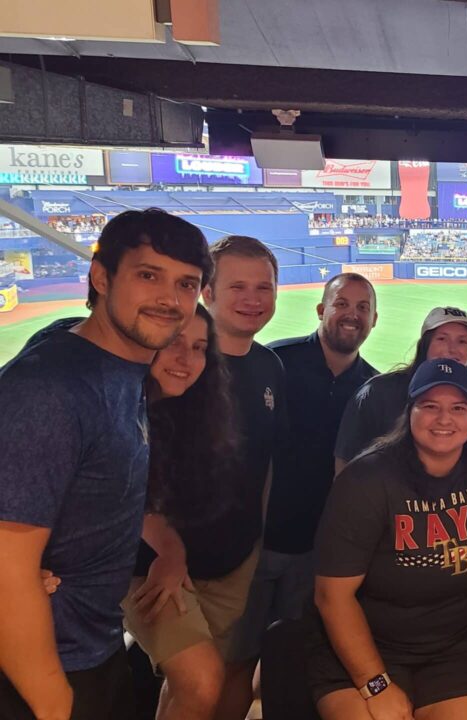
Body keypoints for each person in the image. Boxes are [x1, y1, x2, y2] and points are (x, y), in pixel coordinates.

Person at [0, 209, 210, 720]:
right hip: (42, 672)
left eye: (185, 284)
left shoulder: (122, 370)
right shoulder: (50, 387)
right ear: (100, 277)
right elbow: (6, 565)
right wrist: (55, 704)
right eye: (148, 275)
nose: (169, 299)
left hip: (93, 647)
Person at [307, 358, 467, 720]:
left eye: (458, 407)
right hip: (363, 645)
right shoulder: (367, 480)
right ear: (409, 412)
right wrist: (376, 684)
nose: (444, 419)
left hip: (453, 645)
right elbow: (332, 596)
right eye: (429, 406)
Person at [121, 305, 251, 720]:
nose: (187, 359)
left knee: (188, 687)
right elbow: (127, 496)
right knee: (201, 680)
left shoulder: (203, 405)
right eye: (174, 343)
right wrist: (171, 553)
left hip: (207, 568)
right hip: (147, 570)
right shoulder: (118, 405)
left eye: (199, 347)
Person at [254, 273, 380, 650]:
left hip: (321, 554)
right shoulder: (275, 362)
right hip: (256, 545)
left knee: (294, 659)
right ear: (322, 309)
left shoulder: (374, 388)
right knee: (232, 662)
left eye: (363, 307)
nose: (351, 314)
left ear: (374, 320)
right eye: (342, 303)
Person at [201, 235, 289, 720]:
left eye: (264, 286)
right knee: (197, 679)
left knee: (225, 671)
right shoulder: (177, 361)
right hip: (169, 562)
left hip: (237, 555)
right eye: (237, 286)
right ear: (207, 292)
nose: (253, 299)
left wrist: (255, 540)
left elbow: (265, 462)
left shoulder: (268, 365)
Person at [335, 305, 467, 472]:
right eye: (442, 339)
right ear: (424, 345)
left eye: (462, 341)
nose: (452, 349)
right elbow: (344, 462)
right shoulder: (377, 393)